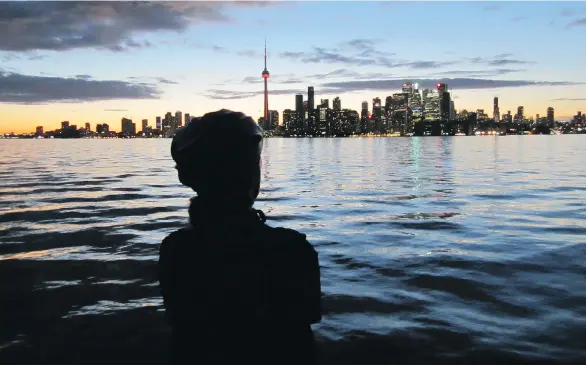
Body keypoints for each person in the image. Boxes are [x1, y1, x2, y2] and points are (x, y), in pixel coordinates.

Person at [158, 110, 322, 365]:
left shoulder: (176, 250)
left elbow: (182, 335)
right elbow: (302, 340)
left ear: (188, 176)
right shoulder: (292, 249)